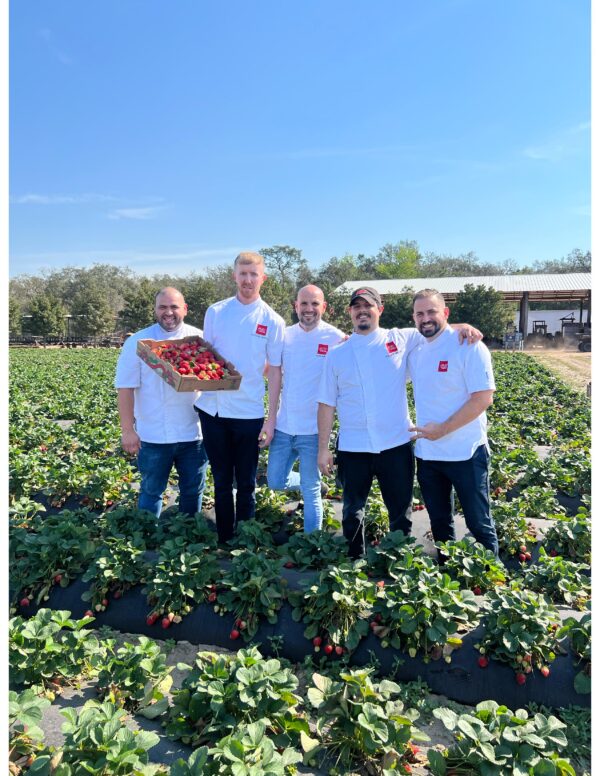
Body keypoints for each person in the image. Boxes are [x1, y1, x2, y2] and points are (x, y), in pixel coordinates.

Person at [317, 286, 481, 559]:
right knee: (352, 511)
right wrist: (324, 448)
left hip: (395, 444)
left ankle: (398, 564)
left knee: (400, 512)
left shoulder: (401, 338)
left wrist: (465, 327)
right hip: (353, 446)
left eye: (368, 306)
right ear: (350, 312)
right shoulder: (337, 354)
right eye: (356, 307)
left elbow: (436, 326)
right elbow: (326, 403)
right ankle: (354, 562)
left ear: (379, 310)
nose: (362, 311)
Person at [194, 252, 285, 543]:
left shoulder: (272, 320)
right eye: (243, 273)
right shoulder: (216, 312)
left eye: (253, 274)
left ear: (263, 278)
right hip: (213, 412)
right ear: (234, 275)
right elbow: (207, 358)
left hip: (249, 413)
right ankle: (224, 539)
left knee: (246, 483)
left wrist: (271, 419)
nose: (248, 279)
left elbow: (274, 373)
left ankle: (245, 540)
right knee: (221, 481)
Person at [408, 289, 499, 555]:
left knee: (478, 522)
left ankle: (490, 578)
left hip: (466, 452)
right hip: (428, 455)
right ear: (413, 318)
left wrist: (443, 429)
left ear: (445, 313)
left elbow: (483, 398)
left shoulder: (469, 346)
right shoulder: (416, 351)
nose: (426, 318)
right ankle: (446, 575)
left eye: (432, 312)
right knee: (439, 523)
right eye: (420, 313)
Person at [115, 287, 208, 518]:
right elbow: (125, 387)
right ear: (155, 310)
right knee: (151, 491)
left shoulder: (200, 339)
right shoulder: (138, 342)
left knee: (192, 491)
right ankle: (147, 541)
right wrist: (128, 430)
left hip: (193, 434)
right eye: (163, 307)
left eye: (174, 307)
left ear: (185, 309)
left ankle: (188, 537)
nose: (169, 312)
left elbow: (215, 381)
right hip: (153, 433)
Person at [266, 285, 345, 532]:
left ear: (324, 307)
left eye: (315, 304)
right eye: (304, 304)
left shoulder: (336, 338)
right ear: (296, 306)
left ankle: (313, 544)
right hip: (284, 426)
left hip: (313, 431)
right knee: (275, 480)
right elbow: (272, 372)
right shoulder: (285, 335)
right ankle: (309, 482)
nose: (309, 309)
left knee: (311, 492)